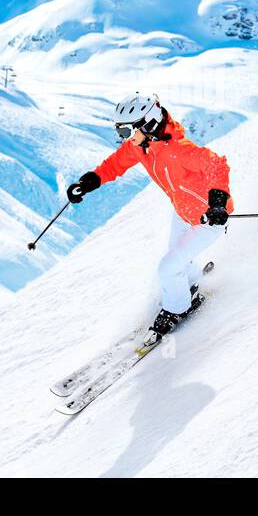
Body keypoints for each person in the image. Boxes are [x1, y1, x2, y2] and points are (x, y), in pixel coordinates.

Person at [67, 94, 233, 336]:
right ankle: (192, 283)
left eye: (126, 131)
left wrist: (217, 204)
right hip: (182, 213)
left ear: (148, 123)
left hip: (209, 219)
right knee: (178, 259)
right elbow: (115, 164)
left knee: (167, 267)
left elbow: (216, 165)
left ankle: (177, 309)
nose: (124, 138)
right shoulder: (141, 148)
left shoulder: (179, 150)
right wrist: (88, 182)